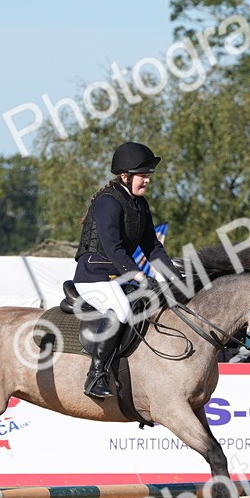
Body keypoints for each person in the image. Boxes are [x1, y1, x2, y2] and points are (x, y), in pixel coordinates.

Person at [73, 141, 183, 399]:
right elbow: (113, 247)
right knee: (121, 310)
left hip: (118, 277)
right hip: (94, 277)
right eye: (142, 176)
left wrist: (175, 276)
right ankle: (96, 375)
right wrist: (137, 274)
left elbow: (152, 247)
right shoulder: (107, 202)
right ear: (125, 176)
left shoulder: (139, 205)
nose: (147, 181)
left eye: (148, 176)